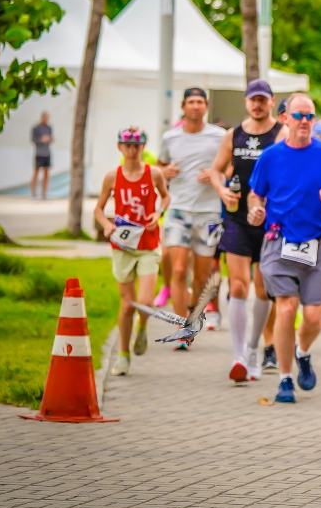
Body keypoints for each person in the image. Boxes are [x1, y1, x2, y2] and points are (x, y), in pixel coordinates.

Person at [247, 94, 321, 404]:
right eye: (299, 116)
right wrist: (255, 211)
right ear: (285, 119)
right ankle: (284, 379)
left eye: (310, 116)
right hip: (278, 242)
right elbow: (256, 196)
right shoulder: (270, 156)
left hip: (316, 244)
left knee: (314, 318)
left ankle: (302, 352)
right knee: (286, 307)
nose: (305, 121)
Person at [209, 80, 286, 382]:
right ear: (245, 102)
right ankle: (239, 356)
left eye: (263, 100)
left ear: (271, 102)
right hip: (238, 220)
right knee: (238, 287)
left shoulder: (281, 133)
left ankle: (254, 350)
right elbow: (217, 169)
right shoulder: (233, 135)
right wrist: (222, 189)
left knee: (264, 289)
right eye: (253, 100)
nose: (257, 105)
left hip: (270, 221)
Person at [94, 127, 170, 376]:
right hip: (122, 246)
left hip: (147, 244)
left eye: (137, 145)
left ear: (143, 147)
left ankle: (143, 326)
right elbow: (98, 208)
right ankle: (123, 355)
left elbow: (165, 197)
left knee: (145, 303)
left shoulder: (154, 173)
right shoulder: (112, 177)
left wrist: (158, 213)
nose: (133, 150)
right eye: (127, 145)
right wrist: (106, 225)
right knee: (127, 306)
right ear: (120, 147)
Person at [158, 88, 226, 344]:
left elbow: (229, 165)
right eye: (191, 102)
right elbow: (161, 165)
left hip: (209, 212)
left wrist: (216, 174)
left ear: (206, 107)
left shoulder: (219, 136)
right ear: (184, 106)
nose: (196, 106)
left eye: (200, 102)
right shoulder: (171, 137)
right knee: (177, 269)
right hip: (178, 210)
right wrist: (165, 172)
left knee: (201, 275)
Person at [31, 112, 53, 201]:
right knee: (36, 172)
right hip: (39, 153)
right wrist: (41, 140)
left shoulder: (49, 128)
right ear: (42, 117)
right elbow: (33, 139)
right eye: (46, 117)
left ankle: (44, 194)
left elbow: (51, 138)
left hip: (47, 153)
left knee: (46, 173)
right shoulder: (36, 128)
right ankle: (33, 194)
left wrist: (49, 139)